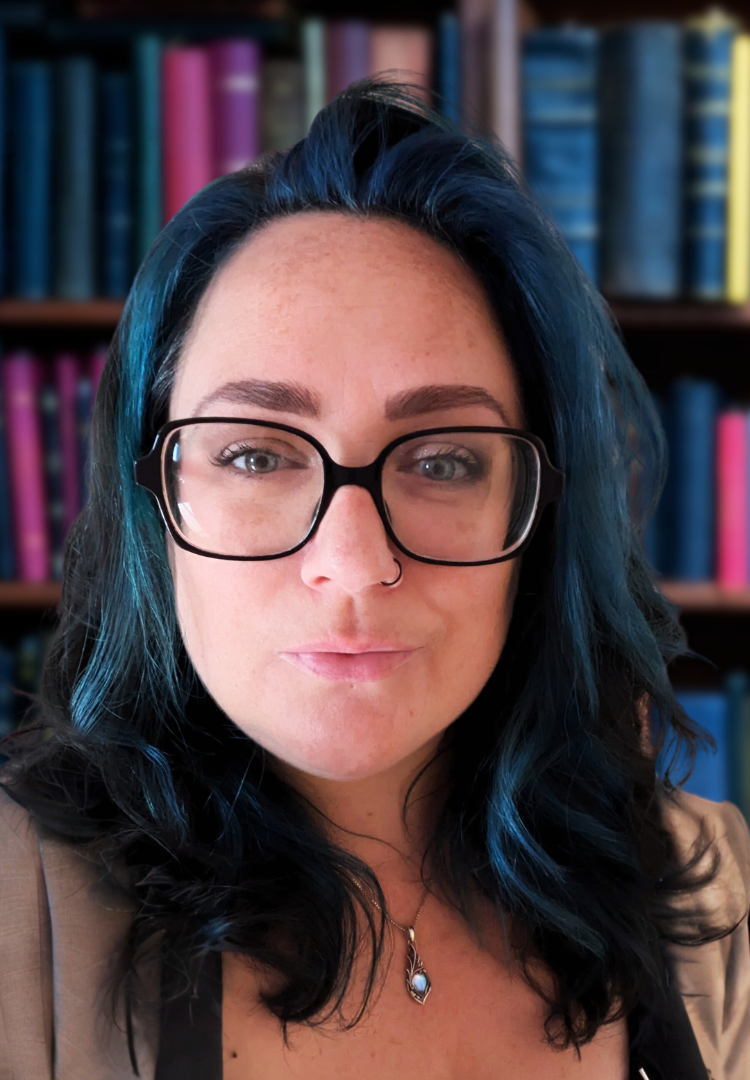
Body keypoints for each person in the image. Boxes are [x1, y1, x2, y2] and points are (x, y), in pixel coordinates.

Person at [1, 78, 748, 1080]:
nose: (352, 565)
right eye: (257, 455)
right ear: (155, 502)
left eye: (442, 461)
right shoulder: (19, 901)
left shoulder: (717, 902)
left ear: (542, 516)